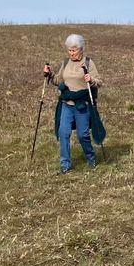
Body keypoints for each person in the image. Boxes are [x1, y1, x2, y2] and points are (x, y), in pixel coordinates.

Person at [44, 34, 103, 173]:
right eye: (69, 50)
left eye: (74, 50)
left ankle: (91, 157)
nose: (71, 53)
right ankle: (65, 164)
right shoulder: (66, 63)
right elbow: (58, 80)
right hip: (67, 104)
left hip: (82, 105)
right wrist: (50, 74)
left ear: (81, 49)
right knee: (63, 132)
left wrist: (91, 79)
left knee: (83, 135)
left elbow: (99, 82)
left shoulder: (88, 63)